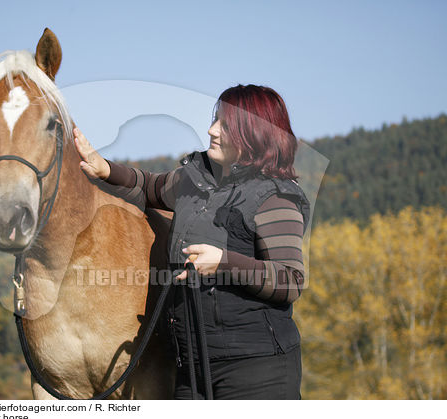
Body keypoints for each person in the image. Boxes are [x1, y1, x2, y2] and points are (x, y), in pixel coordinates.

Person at [73, 84, 310, 400]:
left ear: (253, 134)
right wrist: (105, 169)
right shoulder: (194, 180)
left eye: (225, 125)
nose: (212, 130)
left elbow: (290, 280)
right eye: (216, 120)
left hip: (258, 371)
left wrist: (223, 262)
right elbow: (150, 187)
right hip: (192, 369)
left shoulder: (274, 196)